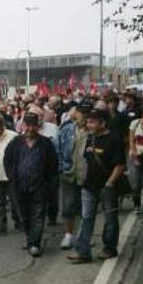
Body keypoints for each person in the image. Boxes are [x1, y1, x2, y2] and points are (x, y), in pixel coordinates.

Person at [68, 109, 126, 263]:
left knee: (110, 219)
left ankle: (109, 248)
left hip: (107, 187)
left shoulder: (114, 139)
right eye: (88, 122)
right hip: (89, 186)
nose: (89, 125)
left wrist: (110, 183)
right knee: (86, 218)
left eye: (93, 122)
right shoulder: (90, 139)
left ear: (103, 123)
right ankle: (83, 252)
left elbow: (119, 165)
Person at [3, 112, 59, 257]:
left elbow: (53, 166)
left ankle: (35, 243)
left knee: (38, 215)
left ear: (37, 126)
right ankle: (29, 238)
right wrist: (11, 178)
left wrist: (50, 186)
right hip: (19, 187)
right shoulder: (15, 143)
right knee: (24, 216)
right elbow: (7, 161)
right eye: (27, 125)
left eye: (33, 125)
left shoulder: (46, 144)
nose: (30, 128)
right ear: (23, 126)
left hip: (39, 187)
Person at [57, 103, 91, 250]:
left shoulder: (94, 131)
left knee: (86, 209)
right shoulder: (66, 130)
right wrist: (61, 169)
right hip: (69, 173)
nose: (83, 116)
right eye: (81, 112)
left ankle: (84, 237)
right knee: (68, 206)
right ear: (76, 113)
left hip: (88, 175)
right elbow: (58, 150)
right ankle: (69, 235)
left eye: (87, 113)